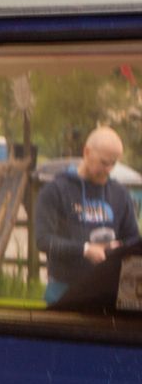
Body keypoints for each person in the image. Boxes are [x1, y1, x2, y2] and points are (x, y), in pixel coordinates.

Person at [36, 127, 136, 303]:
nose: (108, 169)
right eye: (104, 162)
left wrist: (118, 248)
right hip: (64, 289)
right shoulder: (55, 190)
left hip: (107, 290)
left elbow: (133, 240)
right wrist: (85, 249)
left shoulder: (120, 194)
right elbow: (43, 240)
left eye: (113, 163)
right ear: (87, 152)